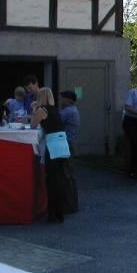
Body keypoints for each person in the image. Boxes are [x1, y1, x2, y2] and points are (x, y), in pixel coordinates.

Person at [31, 87, 77, 223]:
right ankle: (60, 212)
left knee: (52, 181)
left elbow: (33, 125)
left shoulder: (42, 110)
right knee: (59, 179)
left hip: (53, 146)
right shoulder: (54, 110)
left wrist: (34, 109)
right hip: (62, 144)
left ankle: (54, 214)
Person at [59, 90, 81, 156]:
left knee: (67, 161)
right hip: (70, 141)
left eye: (62, 98)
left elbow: (55, 122)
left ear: (67, 100)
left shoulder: (68, 111)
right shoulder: (73, 109)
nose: (60, 100)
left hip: (67, 142)